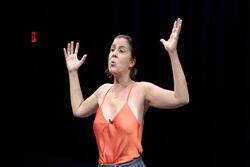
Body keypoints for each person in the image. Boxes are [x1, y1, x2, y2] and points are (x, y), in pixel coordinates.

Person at [63, 18, 189, 167]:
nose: (114, 54)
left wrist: (173, 53)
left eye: (121, 50)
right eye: (112, 49)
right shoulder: (103, 91)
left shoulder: (141, 90)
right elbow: (78, 109)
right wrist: (72, 72)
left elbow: (181, 98)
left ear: (131, 62)